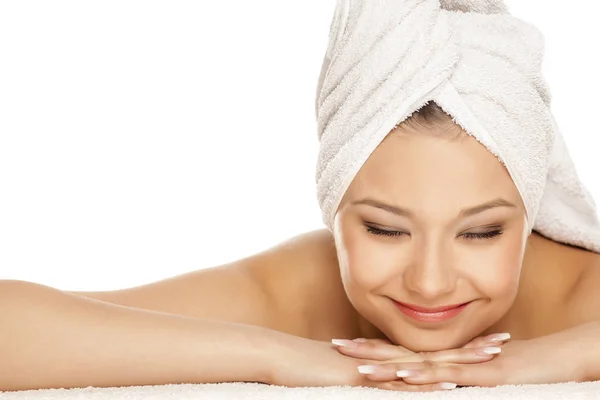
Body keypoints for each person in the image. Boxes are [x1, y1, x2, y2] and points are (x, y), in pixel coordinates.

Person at [2, 0, 600, 393]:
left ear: (530, 210)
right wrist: (272, 356)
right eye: (386, 230)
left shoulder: (580, 295)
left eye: (480, 232)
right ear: (333, 207)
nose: (431, 282)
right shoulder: (308, 288)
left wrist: (562, 360)